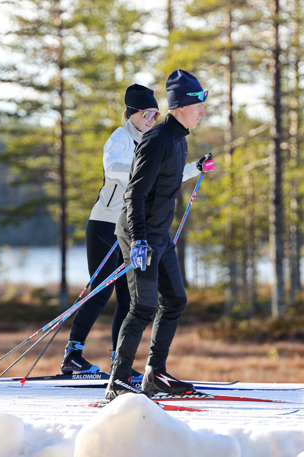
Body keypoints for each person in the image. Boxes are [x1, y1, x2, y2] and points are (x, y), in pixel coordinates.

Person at [60, 83, 206, 376]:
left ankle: (119, 361)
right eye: (149, 115)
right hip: (107, 222)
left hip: (133, 225)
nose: (153, 120)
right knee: (100, 289)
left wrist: (196, 168)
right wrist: (142, 173)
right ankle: (73, 354)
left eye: (155, 115)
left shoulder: (151, 140)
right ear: (134, 115)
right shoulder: (120, 138)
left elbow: (168, 175)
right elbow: (114, 168)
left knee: (128, 298)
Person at [106, 69, 212, 400]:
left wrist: (197, 168)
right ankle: (119, 381)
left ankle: (155, 374)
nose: (203, 112)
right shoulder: (157, 141)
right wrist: (138, 240)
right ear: (181, 106)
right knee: (143, 306)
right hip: (139, 233)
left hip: (160, 235)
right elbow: (134, 194)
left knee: (176, 299)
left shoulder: (179, 140)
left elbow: (168, 180)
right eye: (199, 105)